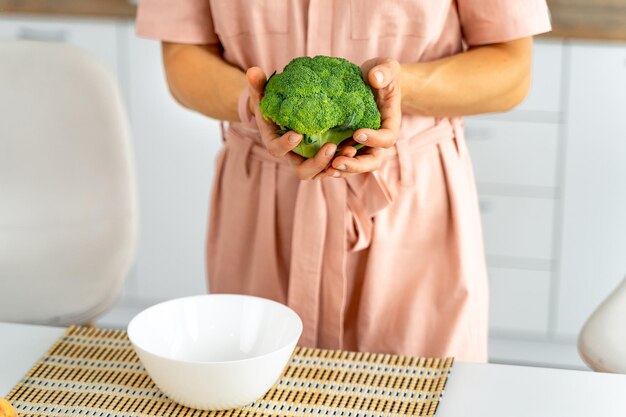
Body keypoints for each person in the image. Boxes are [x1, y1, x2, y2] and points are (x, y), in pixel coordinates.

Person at [136, 0, 551, 362]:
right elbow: (182, 62)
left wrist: (395, 89)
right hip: (262, 207)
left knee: (417, 392)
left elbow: (512, 69)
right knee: (256, 387)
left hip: (412, 208)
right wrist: (255, 104)